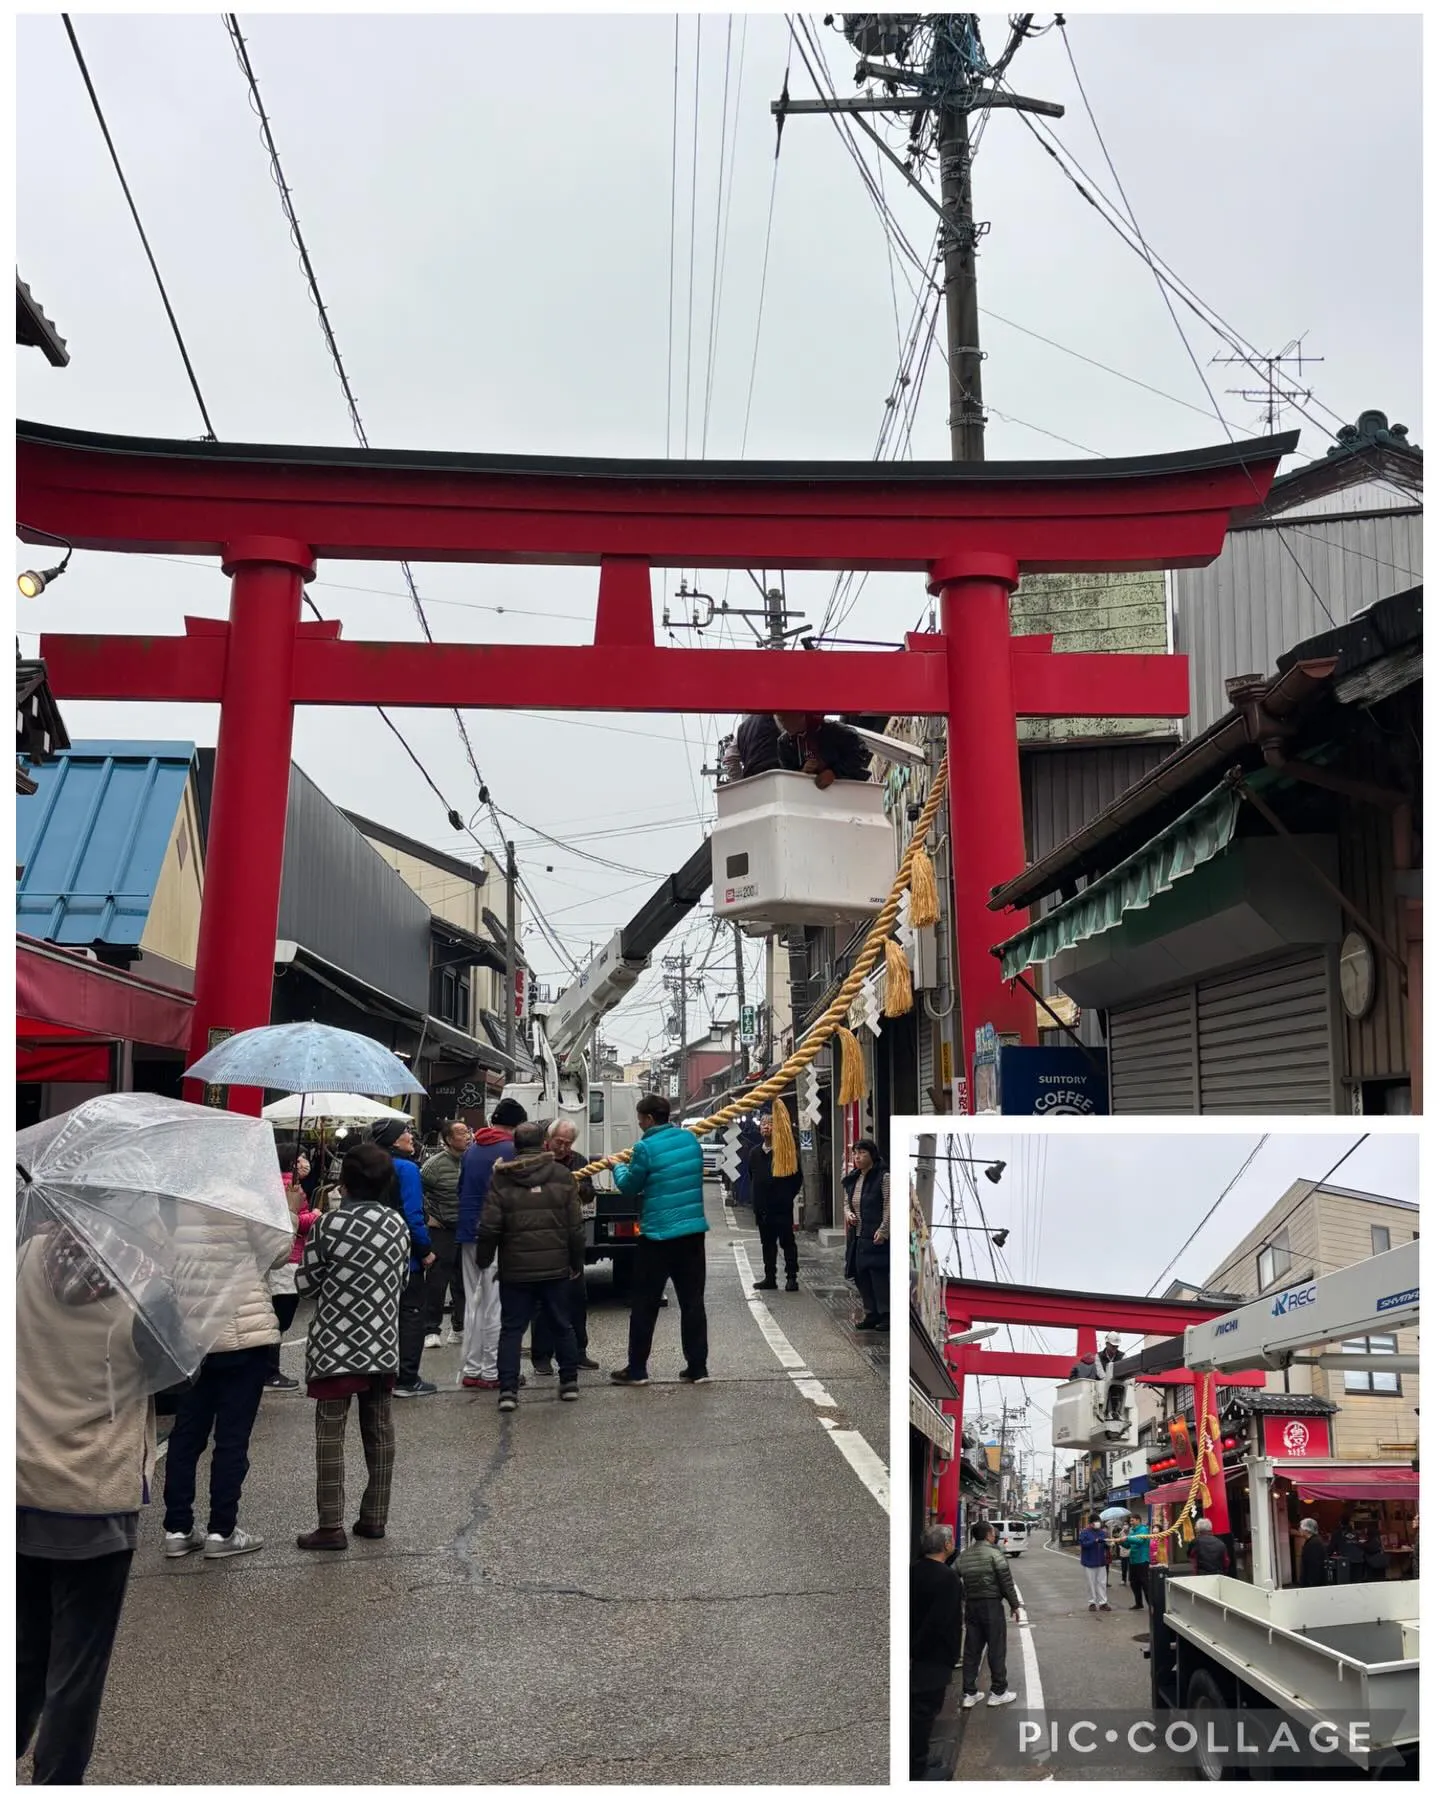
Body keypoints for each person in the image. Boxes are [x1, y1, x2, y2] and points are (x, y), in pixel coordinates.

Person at [17, 1224, 190, 1783]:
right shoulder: (142, 1278)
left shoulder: (22, 1255)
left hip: (19, 1478)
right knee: (78, 1669)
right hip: (95, 1493)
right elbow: (175, 1385)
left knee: (20, 1654)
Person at [294, 1143, 413, 1552]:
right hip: (382, 1343)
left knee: (331, 1436)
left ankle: (331, 1526)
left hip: (335, 1346)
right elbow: (402, 1282)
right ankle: (375, 1517)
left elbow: (306, 1284)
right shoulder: (397, 1224)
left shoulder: (329, 1225)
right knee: (380, 1431)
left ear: (345, 1181)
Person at [160, 1201, 285, 1560]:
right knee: (232, 1438)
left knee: (186, 1435)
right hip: (243, 1333)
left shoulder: (174, 1201)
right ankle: (222, 1530)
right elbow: (278, 1252)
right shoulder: (241, 1197)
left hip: (193, 1334)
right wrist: (287, 1212)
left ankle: (177, 1528)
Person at [477, 1122, 586, 1410]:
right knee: (562, 1324)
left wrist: (484, 1260)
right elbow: (575, 1227)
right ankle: (569, 1382)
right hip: (556, 1266)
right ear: (544, 1143)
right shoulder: (562, 1175)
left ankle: (508, 1391)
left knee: (512, 1329)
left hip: (515, 1267)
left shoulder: (502, 1178)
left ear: (516, 1146)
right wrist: (576, 1261)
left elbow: (489, 1227)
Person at [609, 1094, 710, 1387]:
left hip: (657, 1236)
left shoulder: (645, 1148)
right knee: (693, 1303)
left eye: (641, 1119)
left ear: (650, 1119)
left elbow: (629, 1186)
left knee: (645, 1304)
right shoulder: (690, 1140)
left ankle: (637, 1370)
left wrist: (616, 1165)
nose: (640, 1124)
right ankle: (698, 1368)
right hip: (692, 1233)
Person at [457, 1098, 526, 1391]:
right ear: (517, 1125)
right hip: (498, 1233)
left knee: (474, 1301)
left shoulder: (472, 1149)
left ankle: (471, 1368)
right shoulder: (512, 1151)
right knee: (495, 1303)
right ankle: (492, 1370)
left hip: (468, 1230)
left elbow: (460, 1188)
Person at [369, 1119, 437, 1397]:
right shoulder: (406, 1168)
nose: (411, 1136)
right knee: (410, 1314)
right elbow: (412, 1214)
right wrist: (425, 1249)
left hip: (370, 1249)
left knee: (378, 1314)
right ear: (395, 1140)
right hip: (403, 1252)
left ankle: (378, 1375)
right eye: (406, 1132)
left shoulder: (367, 1165)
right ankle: (407, 1378)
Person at [531, 1118, 601, 1374]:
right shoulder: (536, 1160)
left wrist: (578, 1187)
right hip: (543, 1235)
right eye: (559, 1142)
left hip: (571, 1234)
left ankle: (579, 1351)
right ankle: (542, 1357)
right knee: (543, 1301)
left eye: (568, 1143)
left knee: (576, 1298)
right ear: (548, 1139)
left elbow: (589, 1194)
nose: (562, 1147)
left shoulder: (579, 1161)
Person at [263, 1144, 319, 1391]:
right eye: (301, 1157)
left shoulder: (273, 1182)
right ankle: (269, 1372)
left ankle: (267, 1370)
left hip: (281, 1257)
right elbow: (294, 1220)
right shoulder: (291, 1186)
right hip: (289, 1258)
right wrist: (315, 1215)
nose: (305, 1162)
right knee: (280, 1317)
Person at [910, 1524, 964, 1778]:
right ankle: (916, 1770)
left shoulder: (914, 1570)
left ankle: (919, 1758)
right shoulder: (947, 1578)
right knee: (924, 1713)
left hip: (919, 1652)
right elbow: (940, 1622)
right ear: (946, 1545)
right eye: (951, 1540)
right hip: (933, 1656)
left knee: (918, 1711)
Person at [954, 1519, 1021, 1709]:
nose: (994, 1535)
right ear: (988, 1535)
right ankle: (998, 1691)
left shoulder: (964, 1556)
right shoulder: (995, 1554)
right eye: (993, 1532)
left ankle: (969, 1693)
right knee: (996, 1648)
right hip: (991, 1605)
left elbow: (953, 1577)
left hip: (972, 1606)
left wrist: (963, 1597)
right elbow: (1006, 1582)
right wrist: (1014, 1605)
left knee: (971, 1649)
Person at [420, 1119, 471, 1347]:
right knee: (437, 1280)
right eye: (461, 1133)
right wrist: (427, 1217)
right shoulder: (433, 1165)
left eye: (468, 1132)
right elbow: (415, 1192)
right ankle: (431, 1329)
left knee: (463, 1280)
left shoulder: (472, 1160)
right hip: (441, 1229)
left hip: (466, 1228)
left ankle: (459, 1327)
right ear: (448, 1139)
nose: (467, 1136)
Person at [749, 1109, 802, 1293]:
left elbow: (797, 1179)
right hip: (762, 1208)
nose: (766, 1127)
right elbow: (752, 1176)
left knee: (787, 1242)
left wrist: (785, 1196)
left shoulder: (786, 1153)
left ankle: (791, 1277)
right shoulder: (754, 1153)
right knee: (767, 1244)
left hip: (781, 1207)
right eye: (763, 1124)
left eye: (770, 1124)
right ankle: (769, 1277)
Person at [842, 1140, 890, 1332]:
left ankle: (886, 1314)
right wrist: (848, 1214)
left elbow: (889, 1205)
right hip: (857, 1235)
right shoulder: (854, 1177)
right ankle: (871, 1313)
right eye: (855, 1153)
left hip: (876, 1234)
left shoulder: (884, 1177)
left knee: (878, 1275)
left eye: (862, 1153)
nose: (857, 1157)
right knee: (860, 1275)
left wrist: (884, 1229)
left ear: (872, 1155)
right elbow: (847, 1202)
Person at [774, 711, 872, 788]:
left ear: (800, 714)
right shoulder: (784, 743)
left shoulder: (834, 731)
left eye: (784, 719)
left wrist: (834, 772)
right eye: (779, 720)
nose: (783, 725)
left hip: (845, 789)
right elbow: (788, 775)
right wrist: (802, 772)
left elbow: (860, 751)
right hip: (809, 794)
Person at [727, 712, 783, 779]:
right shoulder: (776, 715)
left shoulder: (741, 729)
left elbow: (730, 757)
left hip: (752, 779)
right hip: (778, 775)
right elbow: (790, 734)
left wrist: (740, 782)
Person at [1078, 1513, 1111, 1611]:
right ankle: (1092, 1603)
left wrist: (1109, 1544)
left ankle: (1103, 1603)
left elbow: (1105, 1544)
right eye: (1096, 1522)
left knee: (1102, 1583)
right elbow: (1083, 1544)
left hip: (1101, 1561)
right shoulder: (1085, 1532)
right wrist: (1094, 1541)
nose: (1098, 1523)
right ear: (1091, 1523)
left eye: (1098, 1522)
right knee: (1091, 1583)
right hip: (1089, 1561)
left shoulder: (1103, 1532)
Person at [1124, 1516, 1151, 1609]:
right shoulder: (1132, 1531)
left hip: (1142, 1560)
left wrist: (1127, 1538)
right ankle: (1138, 1603)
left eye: (1132, 1520)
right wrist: (1120, 1541)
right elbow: (1127, 1545)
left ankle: (1151, 1604)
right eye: (1130, 1521)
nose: (1131, 1522)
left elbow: (1140, 1540)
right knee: (1134, 1583)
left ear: (1138, 1520)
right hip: (1133, 1560)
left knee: (1144, 1583)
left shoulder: (1144, 1530)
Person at [1298, 1517, 1329, 1588]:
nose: (1299, 1530)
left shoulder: (1314, 1544)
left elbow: (1314, 1565)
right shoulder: (1311, 1541)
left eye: (1301, 1528)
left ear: (1307, 1530)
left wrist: (1311, 1584)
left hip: (1314, 1584)